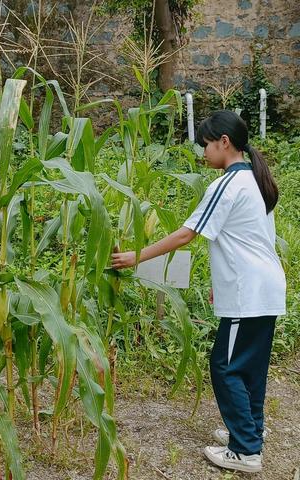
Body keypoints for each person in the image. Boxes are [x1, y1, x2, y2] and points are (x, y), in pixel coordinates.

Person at [112, 110, 286, 474]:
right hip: (264, 288)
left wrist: (136, 256)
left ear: (224, 143)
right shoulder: (257, 180)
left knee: (225, 367)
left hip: (249, 291)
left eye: (205, 144)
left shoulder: (227, 183)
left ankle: (246, 450)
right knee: (250, 367)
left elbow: (187, 233)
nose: (202, 152)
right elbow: (258, 241)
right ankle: (251, 432)